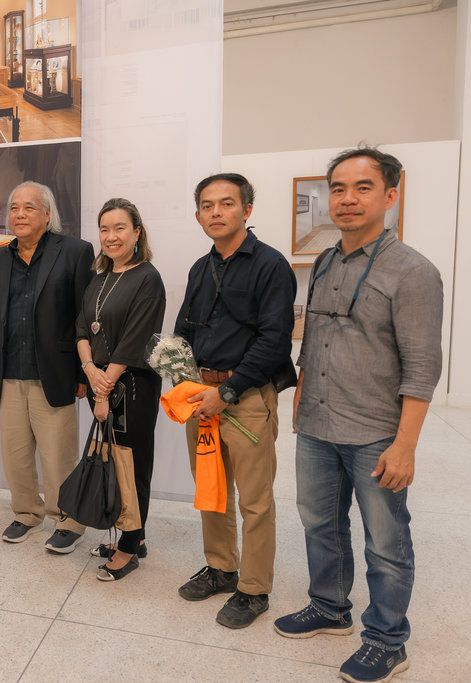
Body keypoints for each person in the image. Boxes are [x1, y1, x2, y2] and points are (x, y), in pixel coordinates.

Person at [275, 148, 442, 683]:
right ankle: (329, 607)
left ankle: (388, 641)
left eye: (363, 187)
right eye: (338, 188)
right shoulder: (326, 260)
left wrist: (405, 446)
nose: (347, 199)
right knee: (319, 523)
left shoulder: (413, 271)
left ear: (390, 195)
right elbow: (315, 338)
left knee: (386, 542)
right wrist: (301, 396)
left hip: (375, 432)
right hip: (317, 426)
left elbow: (422, 367)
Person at [173, 173, 295, 628]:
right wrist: (184, 377)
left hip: (245, 399)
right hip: (202, 397)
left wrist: (227, 391)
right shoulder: (199, 268)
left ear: (247, 210)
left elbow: (274, 340)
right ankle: (222, 568)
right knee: (211, 490)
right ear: (198, 215)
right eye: (207, 206)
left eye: (227, 203)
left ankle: (254, 588)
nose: (216, 212)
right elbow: (184, 330)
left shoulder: (270, 265)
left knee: (255, 500)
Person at [0, 180, 94, 554]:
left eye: (29, 207)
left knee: (58, 455)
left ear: (47, 214)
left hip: (55, 371)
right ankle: (26, 512)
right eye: (14, 207)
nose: (19, 214)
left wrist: (83, 372)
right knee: (15, 454)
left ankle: (68, 520)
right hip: (8, 372)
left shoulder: (75, 252)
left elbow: (85, 316)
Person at [76, 198, 165, 581]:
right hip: (100, 380)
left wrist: (103, 387)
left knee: (132, 466)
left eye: (119, 228)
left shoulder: (147, 278)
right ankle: (135, 535)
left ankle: (128, 547)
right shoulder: (98, 279)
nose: (111, 236)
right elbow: (82, 328)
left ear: (136, 232)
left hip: (132, 389)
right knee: (114, 460)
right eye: (104, 229)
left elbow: (134, 340)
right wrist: (89, 369)